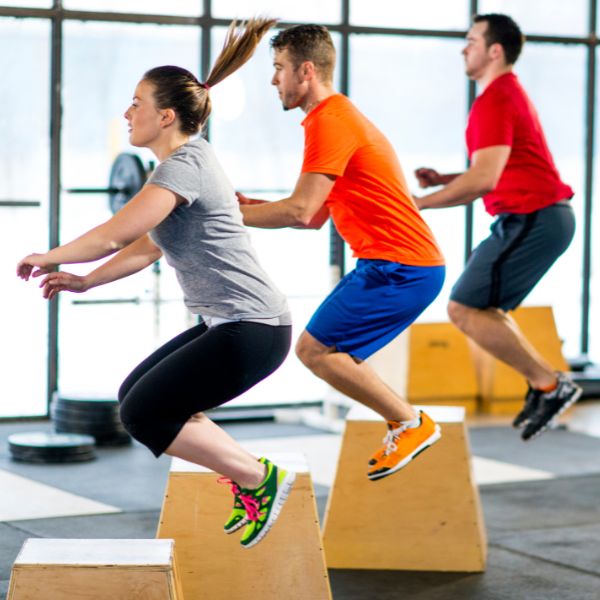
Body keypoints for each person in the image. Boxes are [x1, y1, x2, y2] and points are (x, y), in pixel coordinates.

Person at [16, 18, 294, 549]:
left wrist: (47, 255)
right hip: (241, 323)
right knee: (136, 397)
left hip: (251, 328)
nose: (127, 112)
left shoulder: (184, 165)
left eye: (137, 102)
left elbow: (116, 232)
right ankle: (251, 478)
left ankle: (259, 478)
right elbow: (147, 246)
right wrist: (84, 282)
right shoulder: (185, 164)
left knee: (144, 413)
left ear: (166, 116)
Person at [237, 24, 446, 482]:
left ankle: (411, 422)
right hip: (395, 264)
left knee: (314, 350)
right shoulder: (333, 118)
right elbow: (314, 217)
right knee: (322, 351)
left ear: (305, 71)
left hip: (401, 266)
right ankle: (406, 422)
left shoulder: (330, 120)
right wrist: (247, 206)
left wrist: (222, 217)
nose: (274, 80)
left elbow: (299, 210)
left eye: (278, 69)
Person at [414, 13, 581, 441]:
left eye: (471, 40)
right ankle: (547, 383)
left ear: (494, 50)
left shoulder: (496, 98)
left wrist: (420, 203)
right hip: (538, 216)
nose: (463, 48)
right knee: (481, 309)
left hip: (534, 217)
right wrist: (448, 179)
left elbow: (484, 180)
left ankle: (549, 384)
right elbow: (499, 167)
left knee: (464, 308)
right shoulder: (504, 94)